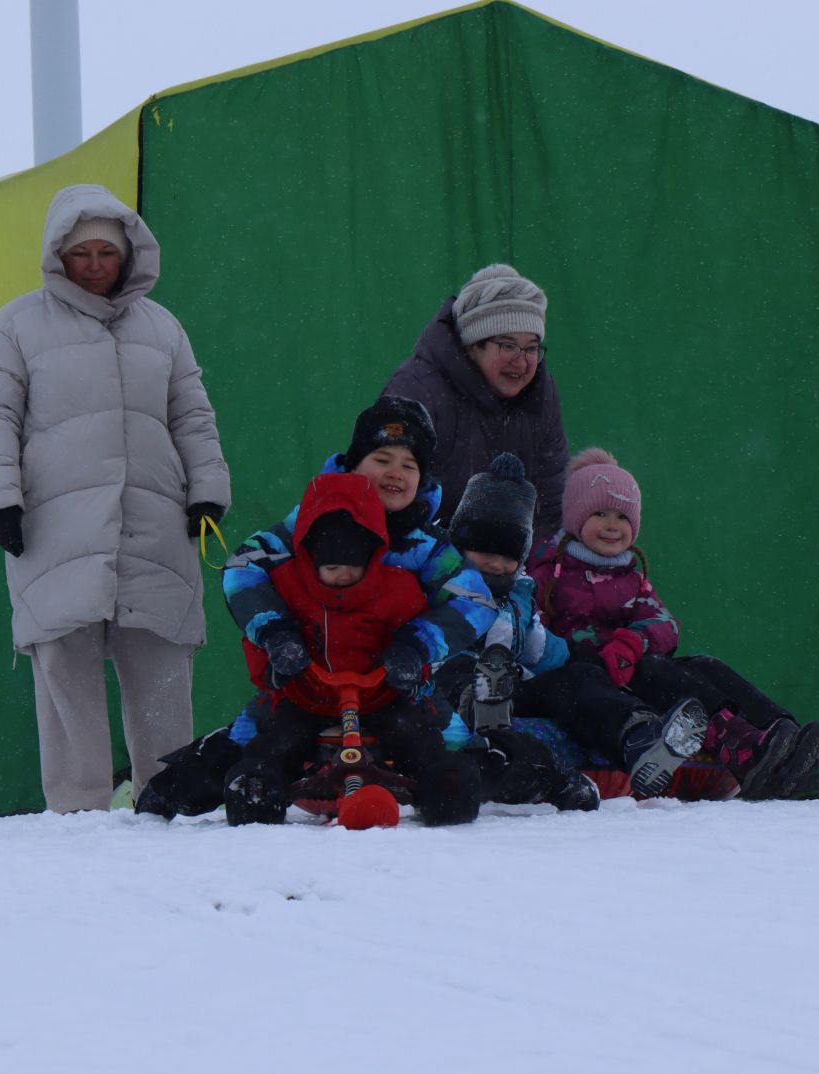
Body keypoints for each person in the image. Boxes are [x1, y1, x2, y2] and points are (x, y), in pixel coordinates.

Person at [0, 184, 230, 813]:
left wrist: (207, 492)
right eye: (80, 252)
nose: (93, 264)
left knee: (162, 661)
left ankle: (169, 797)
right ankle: (76, 809)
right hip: (55, 523)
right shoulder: (13, 326)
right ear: (58, 254)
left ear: (127, 256)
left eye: (105, 253)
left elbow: (192, 416)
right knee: (65, 666)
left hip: (155, 519)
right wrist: (2, 500)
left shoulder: (163, 328)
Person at [529, 447, 819, 799]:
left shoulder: (632, 575)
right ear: (577, 517)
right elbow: (535, 630)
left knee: (703, 665)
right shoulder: (551, 571)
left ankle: (780, 734)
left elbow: (663, 623)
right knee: (654, 670)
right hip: (594, 676)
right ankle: (739, 746)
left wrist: (633, 643)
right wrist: (586, 656)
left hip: (630, 664)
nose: (613, 526)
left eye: (623, 517)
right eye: (600, 513)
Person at [434, 452, 704, 804]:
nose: (498, 564)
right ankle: (532, 760)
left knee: (574, 679)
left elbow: (539, 649)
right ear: (462, 546)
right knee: (465, 673)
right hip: (462, 685)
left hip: (514, 687)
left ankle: (641, 738)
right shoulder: (443, 588)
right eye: (485, 551)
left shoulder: (519, 594)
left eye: (509, 554)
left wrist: (585, 661)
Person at [222, 472, 481, 827]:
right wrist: (276, 654)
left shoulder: (397, 589)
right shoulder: (289, 587)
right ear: (311, 561)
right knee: (281, 735)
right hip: (309, 694)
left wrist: (411, 656)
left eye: (354, 568)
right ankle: (258, 786)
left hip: (380, 694)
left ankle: (445, 786)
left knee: (414, 729)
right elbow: (257, 635)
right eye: (331, 568)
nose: (343, 577)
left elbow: (422, 627)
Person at [384, 264, 568, 532]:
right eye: (508, 345)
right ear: (473, 345)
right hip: (426, 557)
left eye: (531, 348)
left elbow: (551, 496)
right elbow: (389, 489)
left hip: (510, 562)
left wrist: (537, 563)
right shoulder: (417, 390)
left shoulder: (540, 392)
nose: (522, 362)